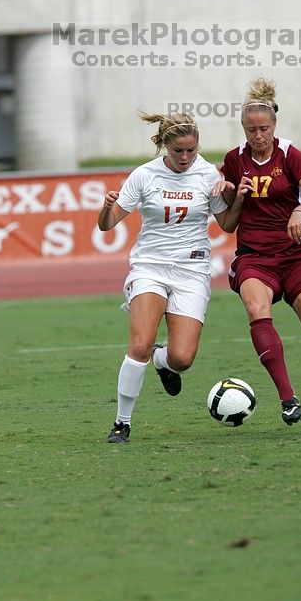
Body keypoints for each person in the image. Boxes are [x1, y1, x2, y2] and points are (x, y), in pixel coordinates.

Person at [98, 112, 240, 443]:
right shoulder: (145, 175)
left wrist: (236, 195)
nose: (186, 158)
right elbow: (107, 224)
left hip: (192, 270)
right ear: (165, 145)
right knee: (140, 344)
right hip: (150, 266)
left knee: (182, 358)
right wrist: (107, 207)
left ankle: (163, 360)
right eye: (179, 151)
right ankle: (122, 422)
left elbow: (229, 225)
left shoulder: (207, 174)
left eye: (191, 150)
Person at [219, 77, 301, 435]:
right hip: (254, 257)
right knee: (257, 310)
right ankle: (288, 397)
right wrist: (231, 191)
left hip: (294, 255)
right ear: (243, 129)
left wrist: (300, 211)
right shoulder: (234, 160)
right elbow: (227, 215)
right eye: (251, 129)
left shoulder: (289, 154)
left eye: (263, 128)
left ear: (274, 126)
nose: (258, 135)